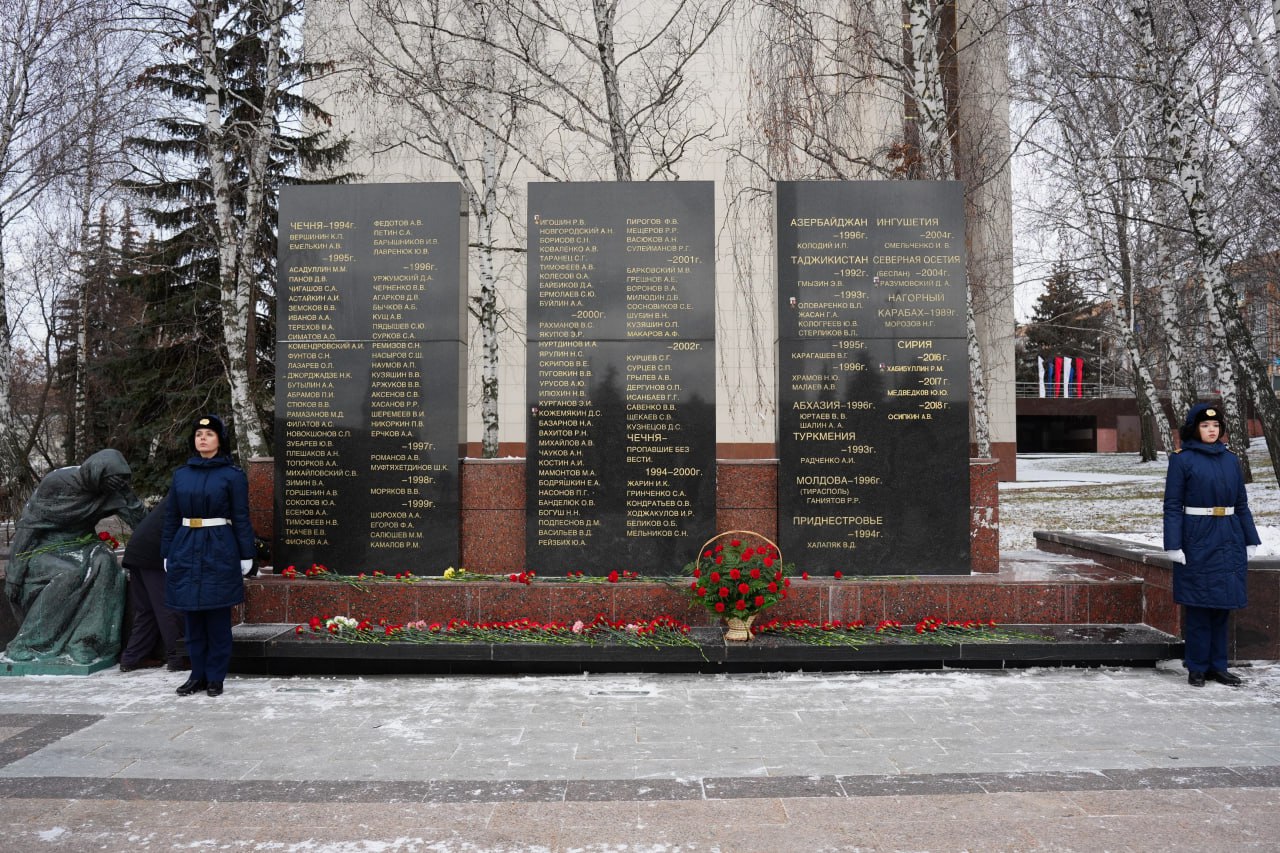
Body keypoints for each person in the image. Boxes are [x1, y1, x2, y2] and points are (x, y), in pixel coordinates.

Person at [5, 449, 145, 663]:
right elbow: (28, 528)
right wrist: (15, 573)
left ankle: (86, 641)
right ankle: (27, 642)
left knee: (105, 563)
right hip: (45, 549)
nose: (114, 488)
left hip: (85, 544)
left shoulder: (113, 492)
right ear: (97, 474)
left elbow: (143, 525)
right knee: (70, 574)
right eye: (112, 483)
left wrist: (129, 497)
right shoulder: (57, 483)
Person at [1163, 403, 1261, 687]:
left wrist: (1250, 538)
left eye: (1216, 426)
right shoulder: (1182, 460)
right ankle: (1196, 666)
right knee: (1198, 605)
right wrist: (1173, 544)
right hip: (1197, 536)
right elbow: (1172, 505)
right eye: (1206, 426)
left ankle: (1218, 666)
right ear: (1195, 429)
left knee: (1222, 605)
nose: (1211, 430)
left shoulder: (1230, 459)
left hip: (1229, 535)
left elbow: (1241, 504)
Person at [161, 415, 255, 697]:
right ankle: (197, 674)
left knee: (216, 617)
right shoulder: (181, 475)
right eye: (199, 433)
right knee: (192, 619)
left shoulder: (232, 475)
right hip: (186, 545)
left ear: (219, 440)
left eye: (209, 434)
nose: (202, 438)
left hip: (219, 547)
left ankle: (216, 676)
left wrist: (245, 554)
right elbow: (171, 517)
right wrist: (167, 551)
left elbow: (241, 517)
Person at [120, 496, 187, 672]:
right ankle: (178, 658)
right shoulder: (196, 492)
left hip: (138, 549)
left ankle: (133, 657)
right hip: (154, 554)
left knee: (146, 610)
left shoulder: (182, 487)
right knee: (169, 607)